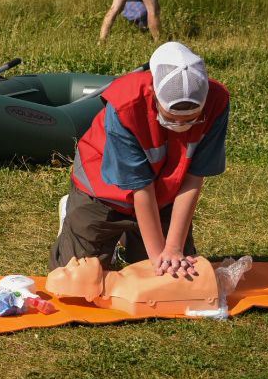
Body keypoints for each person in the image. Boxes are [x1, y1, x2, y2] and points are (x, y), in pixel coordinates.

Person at [51, 41, 229, 276]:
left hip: (162, 194)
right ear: (154, 95)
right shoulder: (126, 103)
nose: (180, 126)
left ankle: (129, 236)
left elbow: (194, 178)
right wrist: (159, 260)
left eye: (190, 120)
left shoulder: (217, 102)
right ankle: (79, 217)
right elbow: (139, 187)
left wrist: (173, 249)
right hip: (103, 192)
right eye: (171, 119)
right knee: (76, 279)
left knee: (177, 272)